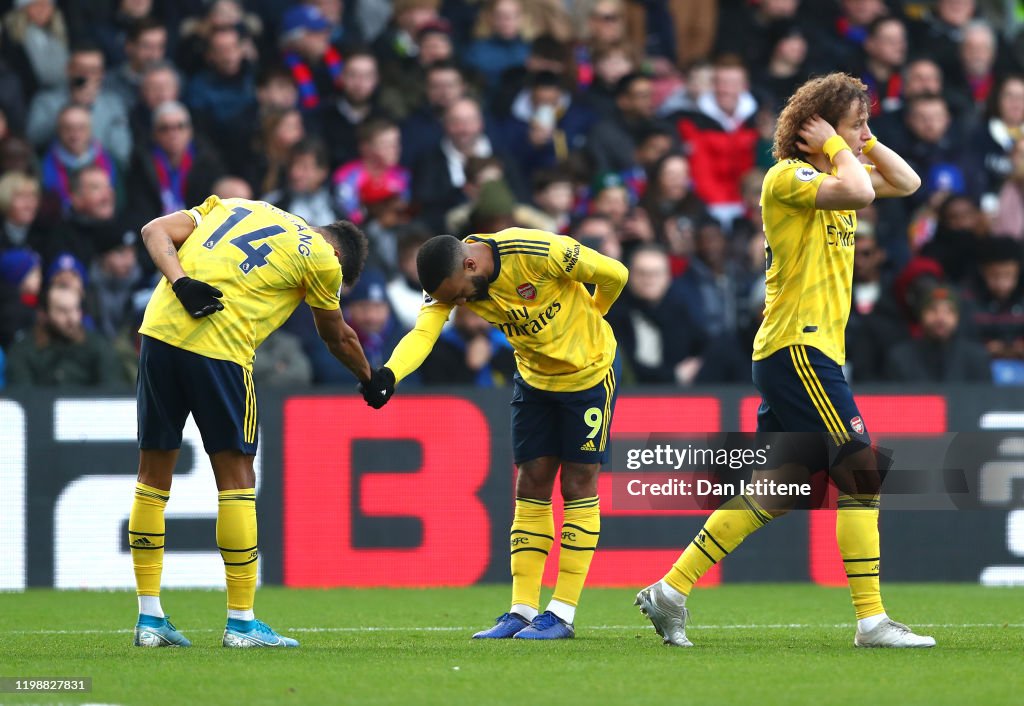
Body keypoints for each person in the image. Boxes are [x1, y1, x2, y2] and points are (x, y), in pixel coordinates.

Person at [635, 72, 937, 649]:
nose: (862, 136)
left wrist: (861, 141)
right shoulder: (788, 177)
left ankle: (670, 591)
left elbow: (907, 180)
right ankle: (872, 621)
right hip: (798, 347)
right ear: (815, 132)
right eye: (856, 124)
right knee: (862, 471)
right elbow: (864, 193)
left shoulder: (835, 171)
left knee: (779, 488)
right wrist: (831, 144)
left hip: (800, 351)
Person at [129, 196, 387, 649]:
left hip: (159, 334)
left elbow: (153, 229)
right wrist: (370, 379)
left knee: (152, 477)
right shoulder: (324, 259)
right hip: (221, 350)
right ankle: (241, 624)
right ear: (342, 261)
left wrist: (182, 281)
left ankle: (149, 619)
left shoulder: (235, 205)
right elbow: (337, 335)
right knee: (236, 481)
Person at [371, 227, 628, 639]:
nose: (459, 304)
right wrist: (389, 374)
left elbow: (616, 273)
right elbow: (424, 333)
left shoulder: (540, 252)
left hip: (588, 377)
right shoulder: (449, 282)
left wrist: (596, 312)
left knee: (579, 483)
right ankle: (522, 610)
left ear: (471, 263)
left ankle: (561, 613)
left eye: (460, 294)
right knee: (531, 484)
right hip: (534, 381)